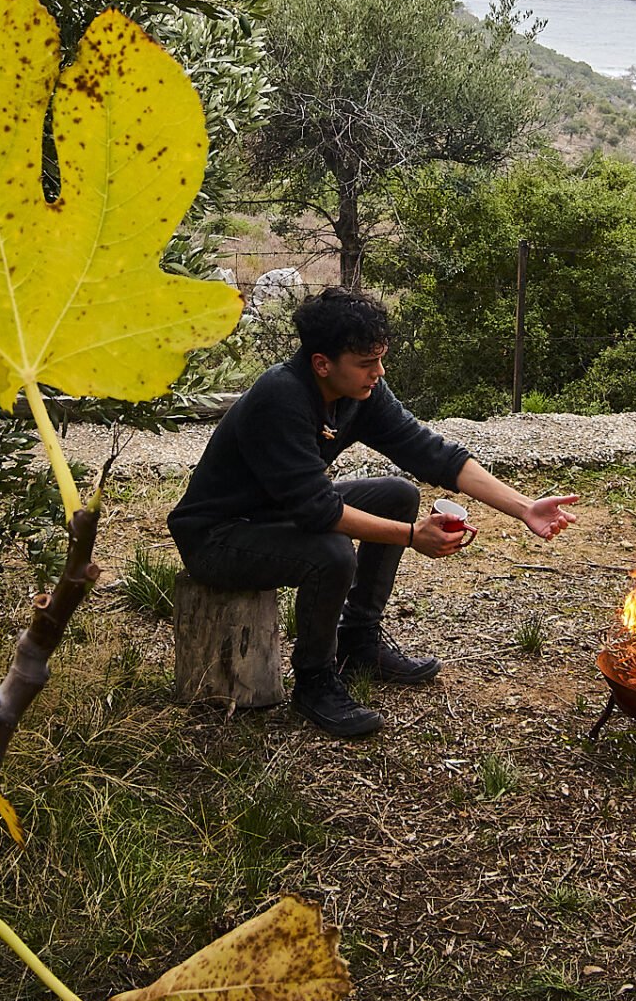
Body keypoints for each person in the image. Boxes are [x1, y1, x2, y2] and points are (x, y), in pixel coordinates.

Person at [167, 286, 577, 738]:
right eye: (367, 363)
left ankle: (358, 639)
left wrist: (523, 507)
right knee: (332, 553)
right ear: (322, 363)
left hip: (274, 514)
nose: (378, 373)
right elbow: (318, 511)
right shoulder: (280, 397)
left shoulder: (359, 392)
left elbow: (432, 453)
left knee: (397, 493)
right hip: (219, 535)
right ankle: (315, 680)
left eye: (380, 359)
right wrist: (410, 536)